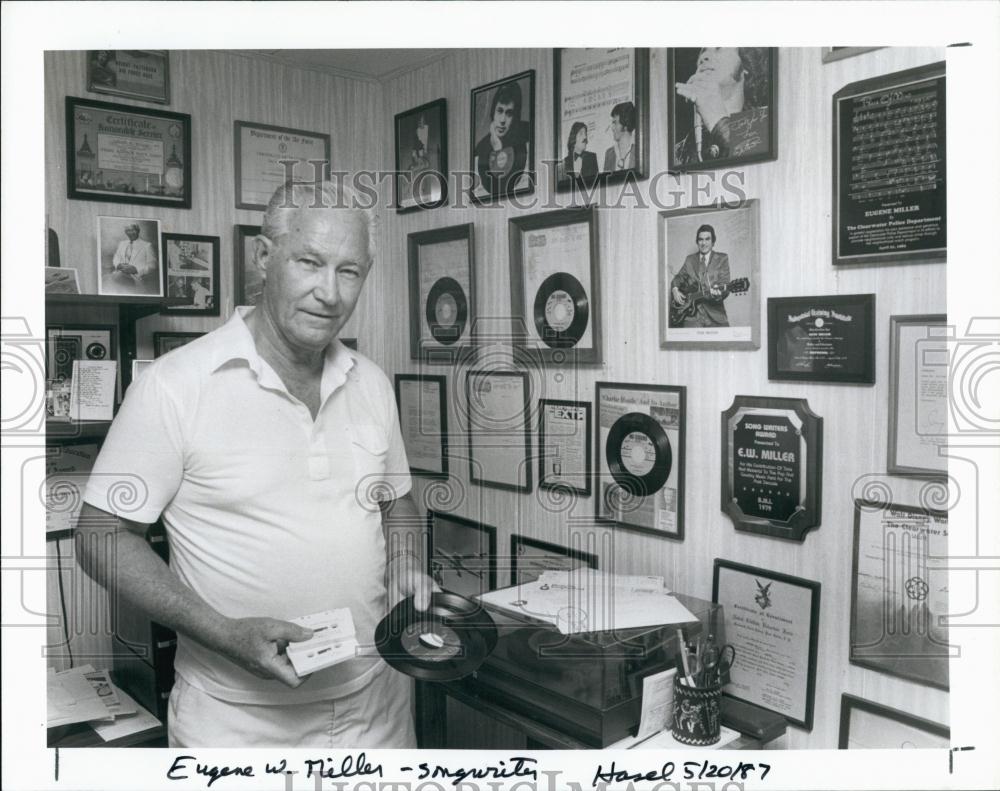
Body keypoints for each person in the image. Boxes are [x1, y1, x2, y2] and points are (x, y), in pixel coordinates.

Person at [76, 178, 434, 748]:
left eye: (349, 271)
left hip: (378, 707)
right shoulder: (176, 386)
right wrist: (224, 634)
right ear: (265, 258)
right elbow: (100, 537)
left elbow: (398, 502)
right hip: (239, 720)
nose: (329, 292)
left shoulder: (371, 382)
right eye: (310, 262)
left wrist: (407, 564)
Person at [673, 47, 770, 165]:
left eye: (718, 48)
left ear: (746, 65)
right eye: (703, 51)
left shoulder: (769, 126)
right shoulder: (677, 154)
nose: (704, 57)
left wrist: (717, 120)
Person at [669, 224, 731, 327]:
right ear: (697, 242)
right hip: (691, 317)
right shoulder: (690, 259)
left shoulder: (722, 258)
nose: (704, 243)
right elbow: (679, 278)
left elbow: (725, 285)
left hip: (715, 316)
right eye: (700, 239)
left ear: (713, 242)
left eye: (707, 239)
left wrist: (718, 294)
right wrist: (675, 289)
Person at [474, 81, 529, 194]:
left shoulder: (526, 134)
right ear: (493, 112)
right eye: (499, 111)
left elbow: (508, 187)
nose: (503, 120)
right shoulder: (481, 147)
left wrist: (498, 149)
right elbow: (494, 190)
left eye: (509, 113)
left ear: (515, 116)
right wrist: (496, 148)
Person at [109, 223, 157, 291]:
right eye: (128, 230)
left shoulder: (147, 245)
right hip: (119, 275)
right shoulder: (122, 243)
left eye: (133, 230)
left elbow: (153, 265)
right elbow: (116, 257)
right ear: (125, 232)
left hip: (136, 280)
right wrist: (118, 265)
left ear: (138, 231)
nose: (131, 232)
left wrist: (136, 269)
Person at [602, 101, 636, 173]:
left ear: (625, 124)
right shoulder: (609, 153)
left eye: (615, 123)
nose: (612, 127)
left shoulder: (638, 150)